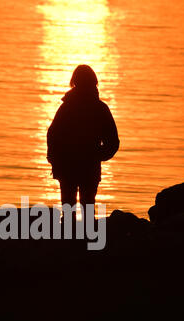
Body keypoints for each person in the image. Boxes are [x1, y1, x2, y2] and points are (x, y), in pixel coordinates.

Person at [47, 64, 119, 218]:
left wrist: (54, 159)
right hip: (85, 167)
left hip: (70, 166)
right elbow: (113, 142)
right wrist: (97, 155)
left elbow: (52, 135)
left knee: (69, 211)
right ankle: (84, 240)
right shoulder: (100, 109)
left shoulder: (66, 108)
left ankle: (69, 240)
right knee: (86, 210)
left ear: (75, 83)